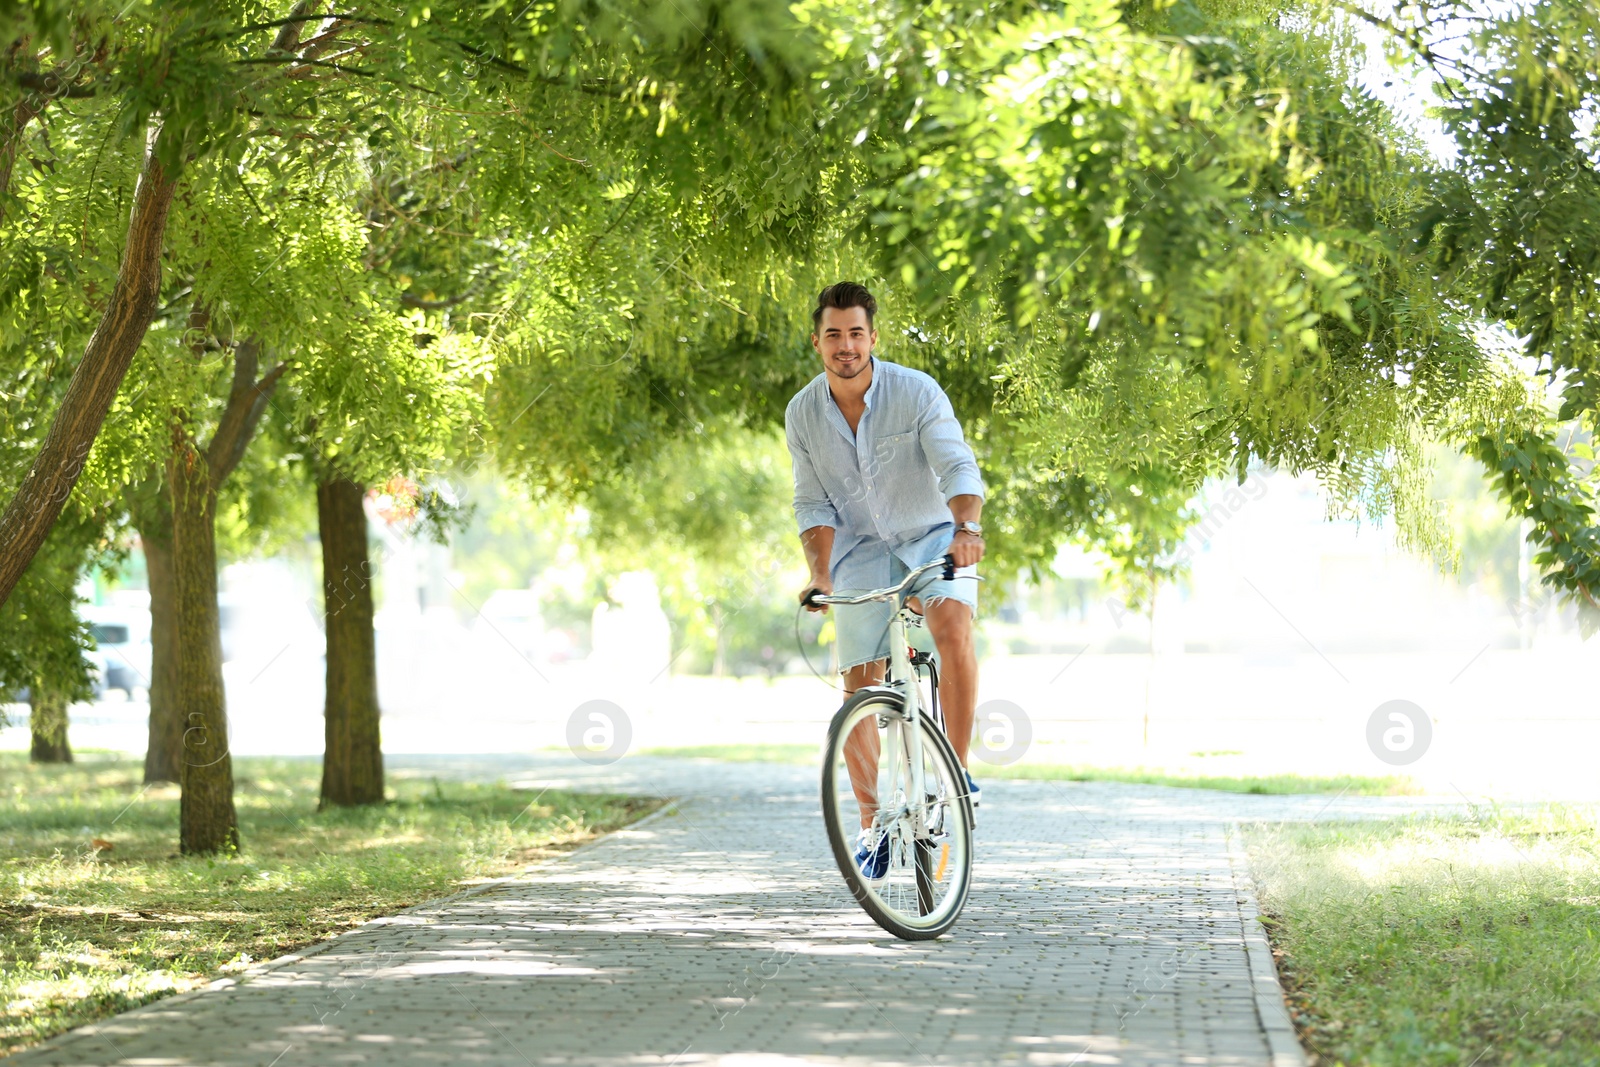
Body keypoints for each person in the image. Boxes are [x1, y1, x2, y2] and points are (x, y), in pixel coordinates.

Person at [785, 281, 985, 879]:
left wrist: (967, 526)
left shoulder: (916, 391)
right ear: (817, 340)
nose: (845, 345)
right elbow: (810, 503)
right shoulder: (801, 413)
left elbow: (956, 464)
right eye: (833, 335)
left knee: (950, 625)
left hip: (931, 534)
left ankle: (955, 771)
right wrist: (819, 575)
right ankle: (875, 826)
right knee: (855, 691)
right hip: (860, 550)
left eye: (855, 333)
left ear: (872, 336)